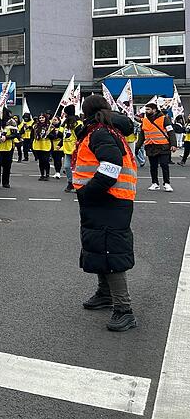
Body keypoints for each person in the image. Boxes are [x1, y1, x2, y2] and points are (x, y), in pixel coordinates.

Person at [73, 95, 138, 332]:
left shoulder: (101, 133)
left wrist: (89, 192)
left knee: (111, 251)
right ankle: (105, 293)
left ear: (86, 111)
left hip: (108, 200)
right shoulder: (105, 131)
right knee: (101, 247)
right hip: (105, 200)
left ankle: (124, 309)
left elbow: (110, 166)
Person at [140, 100, 177, 191]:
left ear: (154, 110)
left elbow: (171, 132)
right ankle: (155, 183)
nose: (146, 111)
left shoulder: (164, 119)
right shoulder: (144, 120)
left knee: (164, 165)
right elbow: (142, 135)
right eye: (146, 109)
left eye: (148, 109)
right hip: (150, 146)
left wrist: (173, 144)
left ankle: (167, 183)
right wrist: (137, 147)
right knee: (153, 166)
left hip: (163, 146)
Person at [0, 117, 20, 189]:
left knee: (7, 166)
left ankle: (6, 182)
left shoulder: (11, 127)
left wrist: (6, 137)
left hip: (8, 148)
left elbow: (16, 135)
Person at [62, 105, 80, 193]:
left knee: (76, 168)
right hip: (67, 149)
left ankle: (77, 184)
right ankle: (70, 182)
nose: (64, 114)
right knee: (67, 166)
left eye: (65, 112)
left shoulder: (77, 123)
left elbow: (80, 136)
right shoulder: (65, 123)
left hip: (75, 149)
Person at [32, 113, 52, 180]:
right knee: (40, 161)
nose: (41, 119)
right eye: (40, 118)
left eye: (42, 118)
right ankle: (42, 174)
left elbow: (54, 136)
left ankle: (47, 174)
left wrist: (49, 135)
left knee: (45, 160)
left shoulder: (50, 126)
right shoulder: (35, 126)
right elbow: (32, 135)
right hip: (38, 145)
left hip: (46, 145)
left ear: (45, 118)